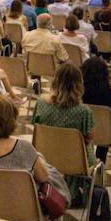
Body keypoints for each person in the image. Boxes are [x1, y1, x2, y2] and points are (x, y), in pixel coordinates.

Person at [31, 63, 95, 206]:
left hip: (45, 153)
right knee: (85, 149)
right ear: (79, 84)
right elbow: (89, 137)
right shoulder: (84, 111)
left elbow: (35, 126)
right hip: (74, 159)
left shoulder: (41, 102)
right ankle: (75, 192)